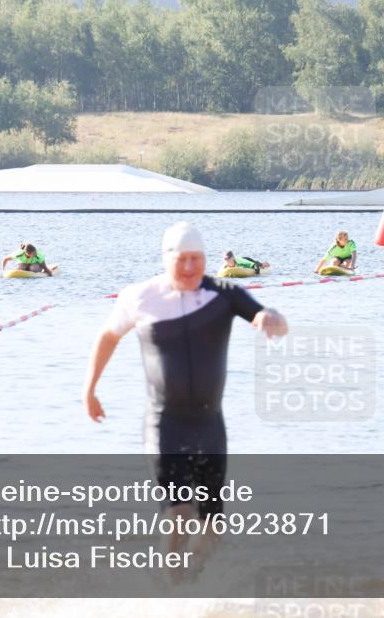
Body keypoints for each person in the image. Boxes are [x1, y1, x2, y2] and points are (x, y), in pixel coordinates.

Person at [82, 222, 288, 578]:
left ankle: (187, 589)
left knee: (212, 528)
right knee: (179, 514)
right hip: (165, 424)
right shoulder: (141, 296)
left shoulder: (224, 293)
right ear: (167, 259)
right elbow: (107, 337)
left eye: (197, 259)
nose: (191, 268)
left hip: (210, 425)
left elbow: (266, 319)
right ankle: (166, 590)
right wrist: (90, 389)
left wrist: (274, 319)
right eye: (183, 260)